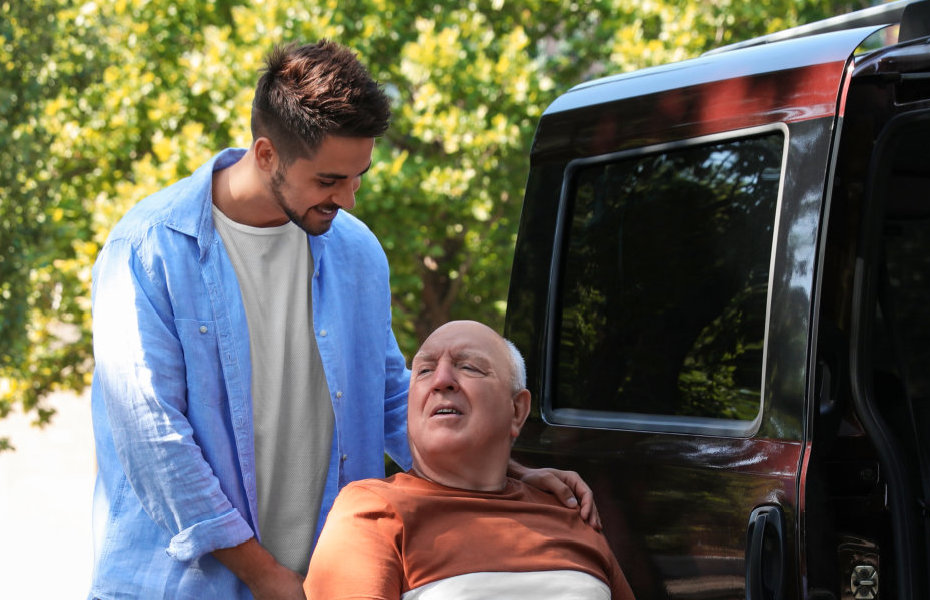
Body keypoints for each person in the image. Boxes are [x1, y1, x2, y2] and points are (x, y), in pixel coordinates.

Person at [87, 42, 595, 600]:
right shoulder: (148, 250)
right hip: (185, 588)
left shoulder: (355, 251)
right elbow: (155, 441)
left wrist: (515, 473)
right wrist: (265, 576)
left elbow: (391, 400)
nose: (349, 199)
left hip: (326, 581)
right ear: (265, 155)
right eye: (330, 181)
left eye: (359, 177)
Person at [305, 321, 634, 600]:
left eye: (468, 367)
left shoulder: (568, 509)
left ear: (517, 410)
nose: (441, 380)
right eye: (424, 370)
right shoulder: (375, 509)